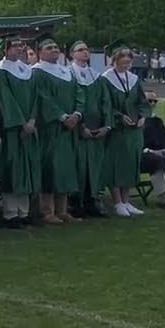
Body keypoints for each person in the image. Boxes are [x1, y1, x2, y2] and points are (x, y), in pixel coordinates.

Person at [0, 35, 39, 229]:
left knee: (26, 170)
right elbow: (4, 101)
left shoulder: (27, 70)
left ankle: (24, 213)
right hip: (10, 131)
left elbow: (36, 97)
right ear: (5, 49)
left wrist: (33, 119)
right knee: (12, 170)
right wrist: (20, 123)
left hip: (29, 128)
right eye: (14, 46)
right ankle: (10, 213)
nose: (18, 49)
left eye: (20, 45)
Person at [31, 34, 82, 225]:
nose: (54, 50)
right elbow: (43, 98)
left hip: (69, 129)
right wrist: (61, 116)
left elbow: (79, 94)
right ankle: (46, 211)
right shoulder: (37, 72)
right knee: (50, 167)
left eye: (55, 47)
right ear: (40, 52)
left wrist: (77, 114)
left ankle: (62, 210)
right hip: (50, 129)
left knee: (65, 169)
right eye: (49, 47)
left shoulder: (66, 72)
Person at [101, 42, 151, 218]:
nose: (126, 61)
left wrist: (143, 116)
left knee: (131, 164)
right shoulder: (106, 79)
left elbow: (142, 103)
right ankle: (117, 202)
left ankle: (126, 200)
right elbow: (105, 105)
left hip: (134, 131)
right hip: (117, 131)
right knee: (116, 165)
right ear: (114, 59)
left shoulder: (133, 79)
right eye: (122, 57)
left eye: (129, 58)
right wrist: (119, 116)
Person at [70, 42, 109, 218]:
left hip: (97, 131)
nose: (85, 52)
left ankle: (92, 202)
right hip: (77, 132)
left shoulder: (97, 77)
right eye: (80, 50)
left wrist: (106, 125)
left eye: (87, 50)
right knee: (78, 166)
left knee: (94, 167)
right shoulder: (68, 75)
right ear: (72, 54)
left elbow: (105, 103)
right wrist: (81, 125)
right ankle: (75, 203)